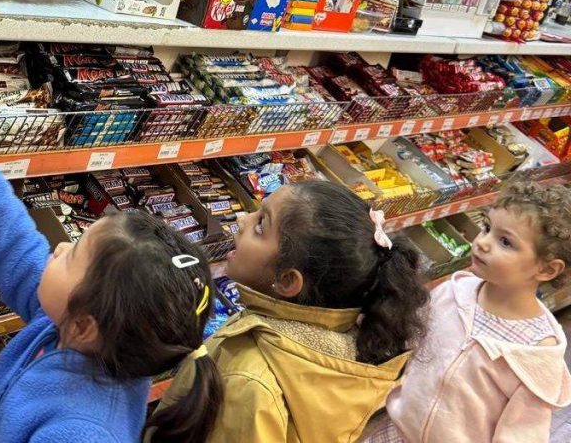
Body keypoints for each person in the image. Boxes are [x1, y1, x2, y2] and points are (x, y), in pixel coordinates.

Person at [0, 118, 223, 443]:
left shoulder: (83, 432)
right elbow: (17, 251)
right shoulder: (73, 325)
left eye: (73, 254)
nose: (61, 246)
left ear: (84, 325)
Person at [159, 180, 428, 443]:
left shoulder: (249, 383)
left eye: (261, 225)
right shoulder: (351, 342)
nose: (242, 219)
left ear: (287, 281)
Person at [364, 180, 571, 443]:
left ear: (546, 270)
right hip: (394, 432)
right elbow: (411, 347)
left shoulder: (535, 353)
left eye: (505, 242)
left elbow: (521, 434)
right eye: (486, 228)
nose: (483, 242)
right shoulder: (452, 292)